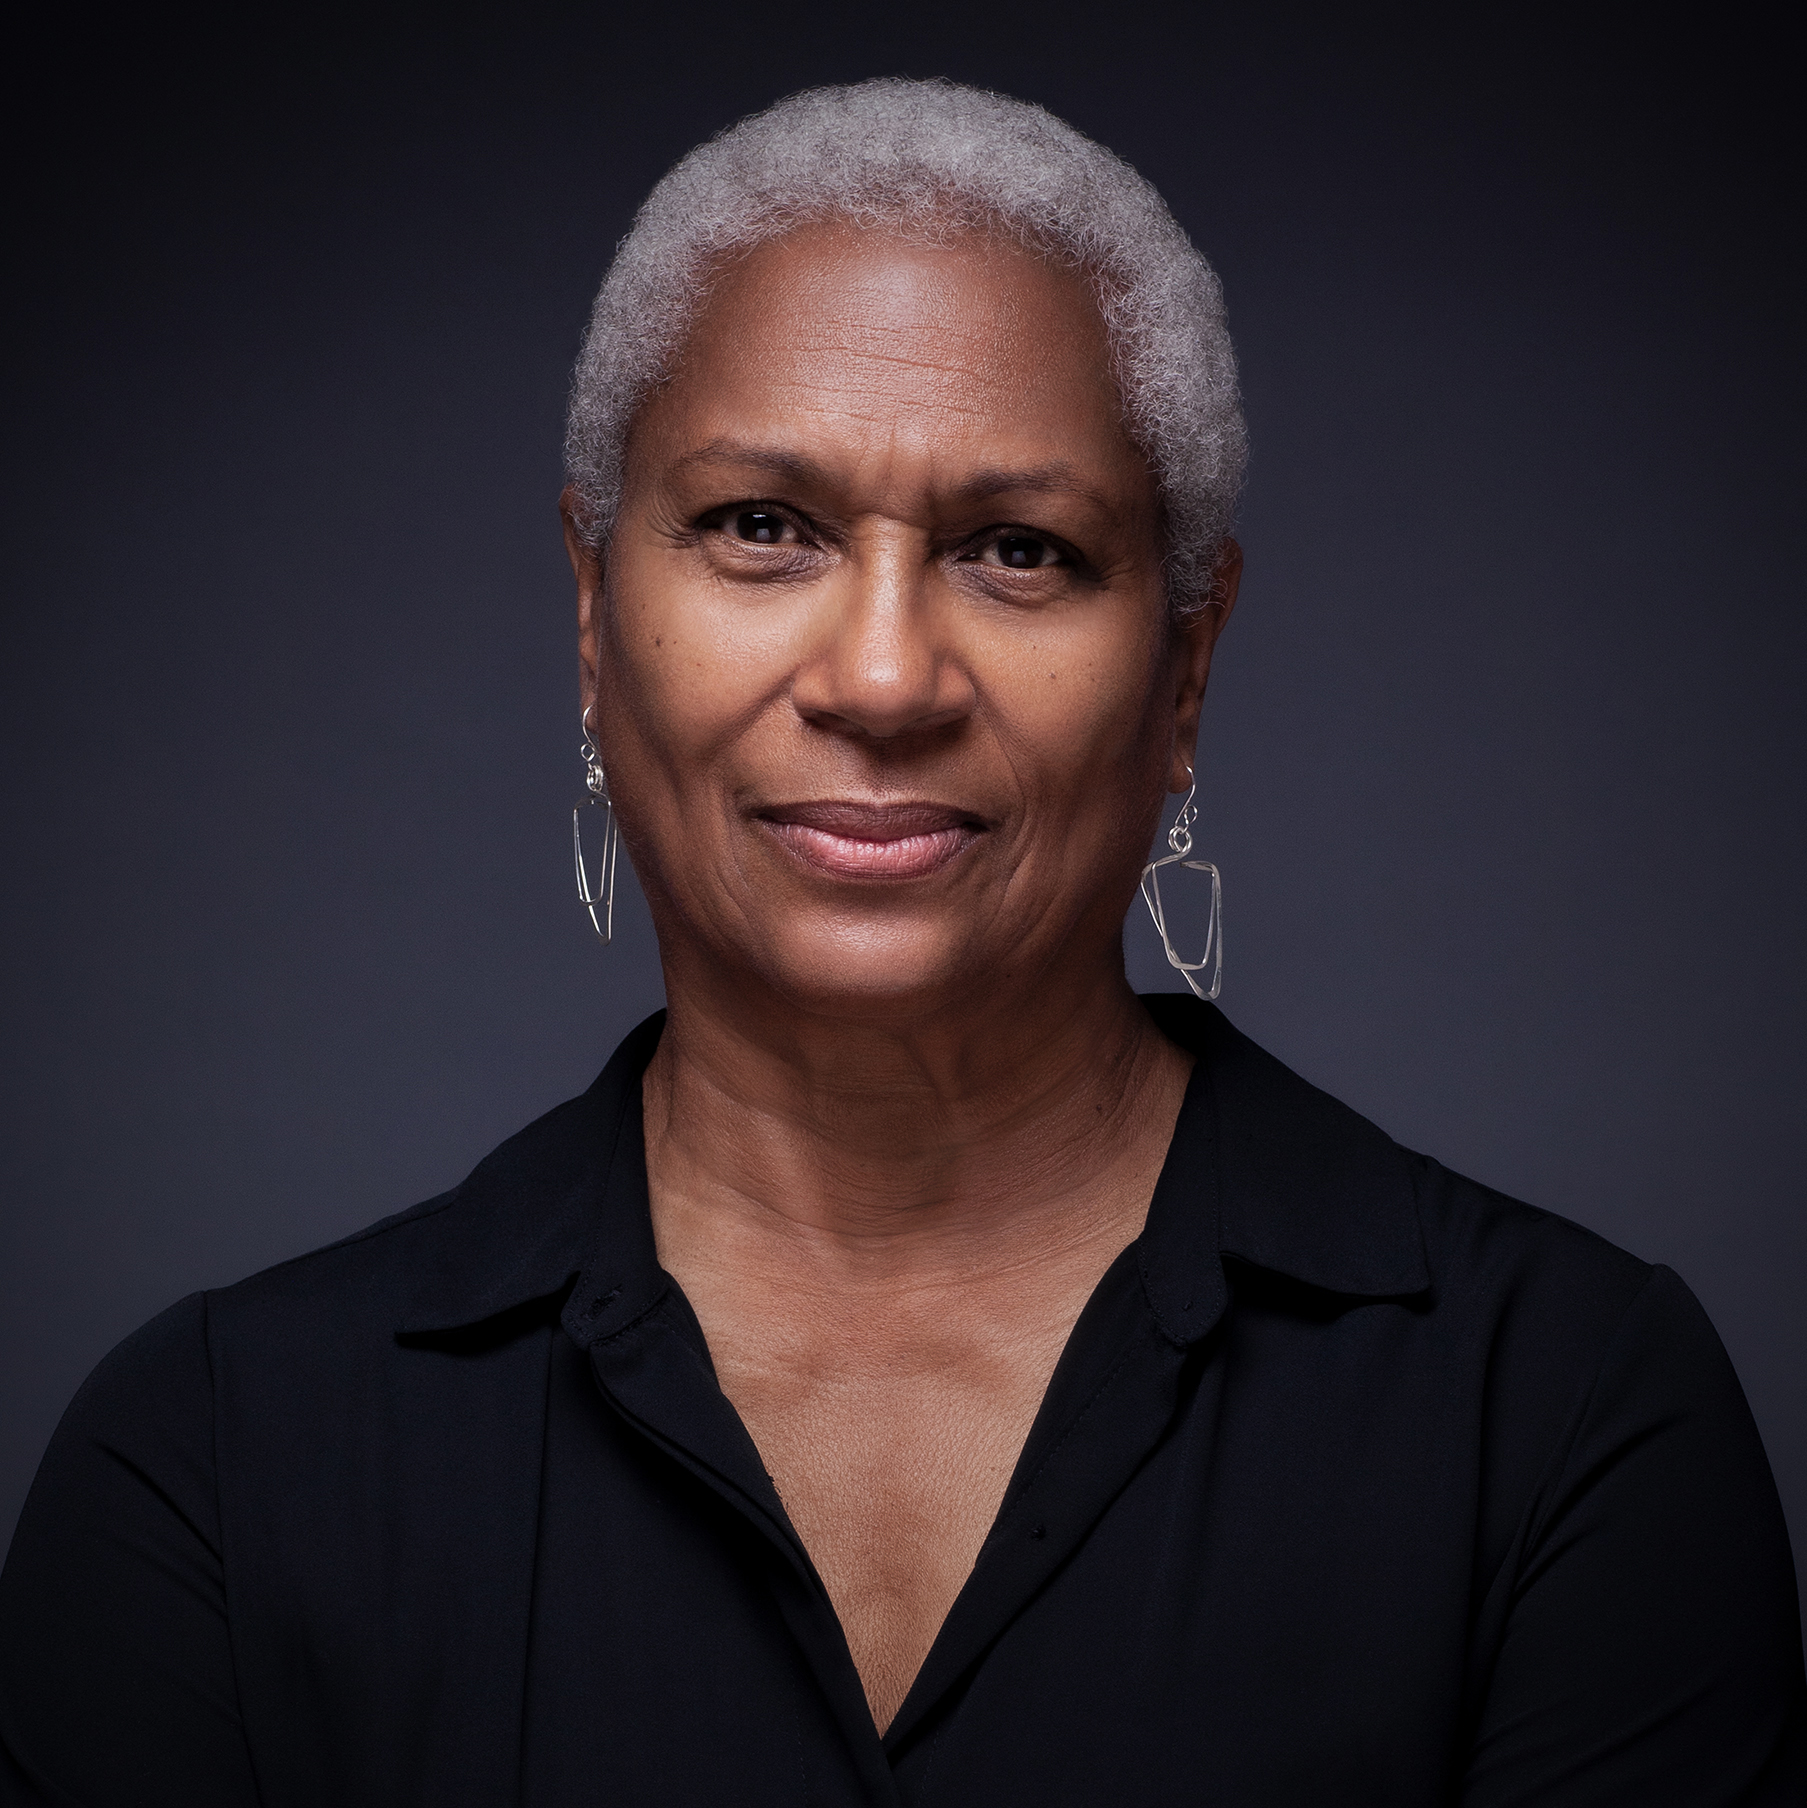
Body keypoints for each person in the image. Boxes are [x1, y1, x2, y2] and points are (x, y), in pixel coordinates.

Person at [1, 77, 1800, 1807]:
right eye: (760, 528)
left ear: (1185, 665)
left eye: (1019, 550)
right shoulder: (221, 1467)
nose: (880, 680)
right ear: (590, 612)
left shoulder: (1561, 1417)